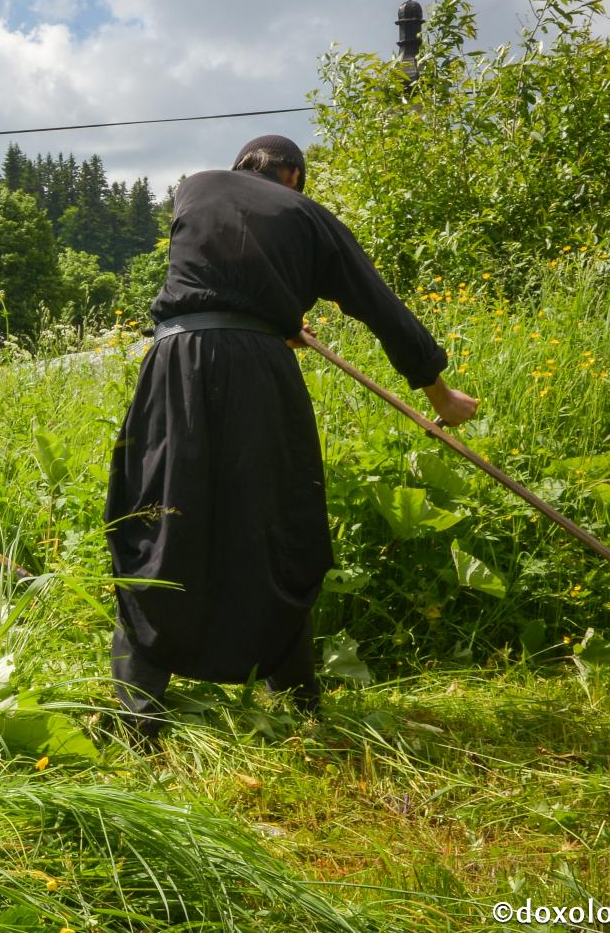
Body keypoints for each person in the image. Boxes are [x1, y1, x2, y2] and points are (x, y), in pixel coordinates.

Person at [104, 135, 478, 738]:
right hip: (259, 372)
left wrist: (269, 318)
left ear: (241, 167)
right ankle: (300, 705)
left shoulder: (193, 189)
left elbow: (216, 276)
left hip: (176, 362)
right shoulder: (307, 215)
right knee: (276, 522)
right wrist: (440, 394)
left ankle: (137, 716)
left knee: (161, 517)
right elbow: (378, 304)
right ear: (294, 176)